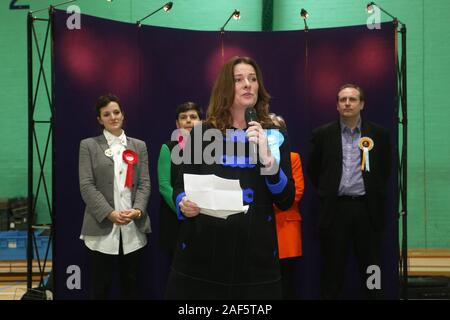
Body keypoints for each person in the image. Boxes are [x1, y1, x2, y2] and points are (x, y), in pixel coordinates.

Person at [165, 56, 295, 300]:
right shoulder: (203, 132)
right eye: (239, 80)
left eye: (253, 79)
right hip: (203, 253)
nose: (248, 84)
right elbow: (180, 186)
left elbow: (285, 200)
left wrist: (268, 160)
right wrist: (183, 202)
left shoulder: (274, 133)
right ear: (226, 87)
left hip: (255, 258)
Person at [307, 84, 391, 299]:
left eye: (352, 99)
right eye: (343, 99)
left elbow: (385, 170)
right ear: (336, 105)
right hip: (335, 211)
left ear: (362, 104)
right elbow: (314, 171)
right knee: (332, 269)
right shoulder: (322, 134)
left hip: (367, 211)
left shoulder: (379, 135)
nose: (347, 103)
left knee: (372, 267)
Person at [79, 94, 151, 299]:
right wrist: (109, 213)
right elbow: (86, 185)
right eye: (106, 114)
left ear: (123, 114)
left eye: (116, 112)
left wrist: (137, 210)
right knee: (100, 287)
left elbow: (145, 183)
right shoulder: (88, 146)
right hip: (101, 228)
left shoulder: (139, 146)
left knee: (132, 287)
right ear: (99, 119)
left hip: (133, 227)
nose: (113, 117)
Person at [158, 102, 203, 260]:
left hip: (204, 217)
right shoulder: (168, 148)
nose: (189, 121)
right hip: (176, 218)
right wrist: (183, 207)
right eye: (183, 117)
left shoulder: (212, 148)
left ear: (201, 122)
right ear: (177, 124)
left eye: (193, 117)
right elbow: (164, 185)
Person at [269, 113, 305, 300]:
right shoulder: (252, 158)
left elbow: (296, 192)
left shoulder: (293, 158)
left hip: (285, 228)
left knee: (287, 283)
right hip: (259, 229)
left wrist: (266, 205)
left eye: (277, 129)